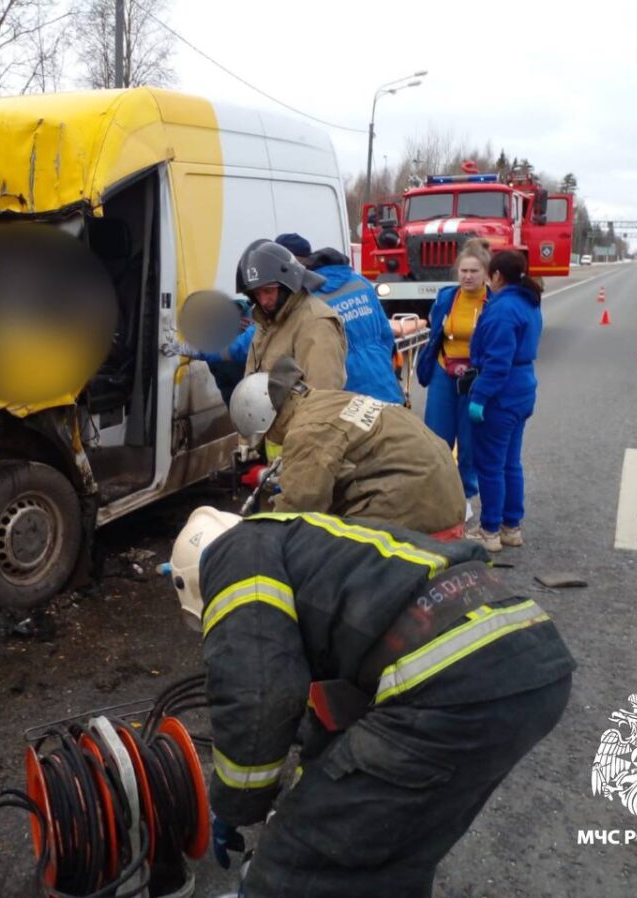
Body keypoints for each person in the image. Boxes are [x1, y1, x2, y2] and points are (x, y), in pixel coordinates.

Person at [163, 506, 575, 898]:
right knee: (393, 846)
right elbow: (340, 720)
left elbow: (259, 696)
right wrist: (307, 787)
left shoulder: (232, 558)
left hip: (454, 680)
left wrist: (236, 802)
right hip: (531, 658)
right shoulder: (307, 544)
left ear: (194, 581)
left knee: (297, 860)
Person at [229, 355, 465, 536]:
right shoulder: (329, 400)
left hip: (417, 512)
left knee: (320, 561)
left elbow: (297, 510)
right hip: (445, 498)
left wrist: (256, 538)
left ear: (265, 418)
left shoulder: (307, 429)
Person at [465, 250, 543, 553]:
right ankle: (511, 526)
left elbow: (498, 362)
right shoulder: (528, 301)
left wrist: (480, 397)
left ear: (496, 275)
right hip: (523, 389)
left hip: (502, 393)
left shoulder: (502, 309)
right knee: (511, 463)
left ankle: (489, 530)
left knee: (490, 465)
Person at [274, 232, 406, 405]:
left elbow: (264, 337)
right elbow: (386, 334)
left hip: (348, 396)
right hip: (384, 386)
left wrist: (228, 350)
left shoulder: (306, 296)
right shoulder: (359, 281)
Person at [416, 239, 492, 512]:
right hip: (443, 370)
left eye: (474, 271)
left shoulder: (492, 302)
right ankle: (436, 490)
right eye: (463, 271)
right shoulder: (447, 296)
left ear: (485, 273)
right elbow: (436, 329)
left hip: (475, 376)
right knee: (437, 437)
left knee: (469, 439)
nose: (468, 276)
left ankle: (466, 495)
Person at [238, 239, 346, 390]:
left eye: (268, 291)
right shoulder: (267, 322)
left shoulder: (315, 323)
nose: (263, 301)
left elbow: (323, 396)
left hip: (303, 414)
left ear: (286, 285)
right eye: (257, 293)